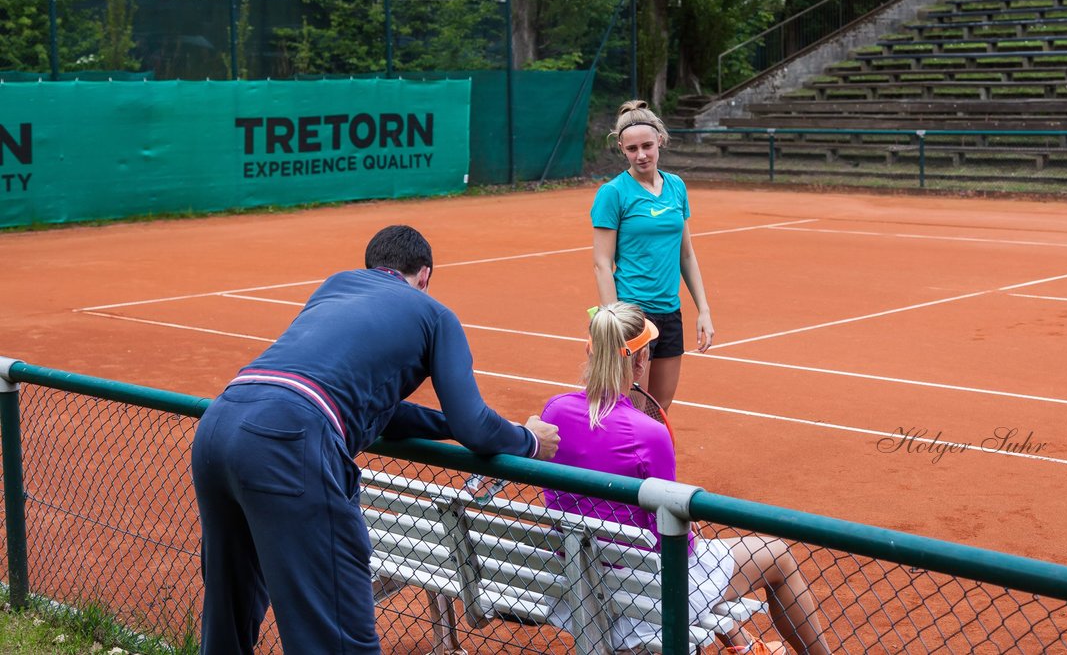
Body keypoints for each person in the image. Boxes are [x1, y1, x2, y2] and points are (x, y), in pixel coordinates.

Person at [191, 224, 560, 655]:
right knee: (337, 638)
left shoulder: (337, 285)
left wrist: (446, 426)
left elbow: (372, 407)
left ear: (372, 267)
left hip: (220, 423)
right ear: (425, 275)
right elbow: (475, 425)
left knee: (227, 617)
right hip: (291, 441)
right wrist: (528, 441)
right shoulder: (434, 314)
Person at [540, 302, 831, 655]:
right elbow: (671, 541)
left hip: (576, 583)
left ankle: (744, 645)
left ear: (591, 351)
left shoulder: (554, 411)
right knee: (778, 555)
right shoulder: (648, 433)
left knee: (709, 561)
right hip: (647, 595)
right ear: (639, 361)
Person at [591, 99, 713, 411]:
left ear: (660, 139)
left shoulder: (676, 187)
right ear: (621, 147)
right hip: (634, 315)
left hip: (670, 313)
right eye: (632, 149)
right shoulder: (613, 193)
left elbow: (686, 254)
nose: (641, 155)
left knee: (660, 406)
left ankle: (653, 462)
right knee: (631, 407)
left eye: (647, 145)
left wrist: (704, 310)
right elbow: (602, 263)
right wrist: (613, 320)